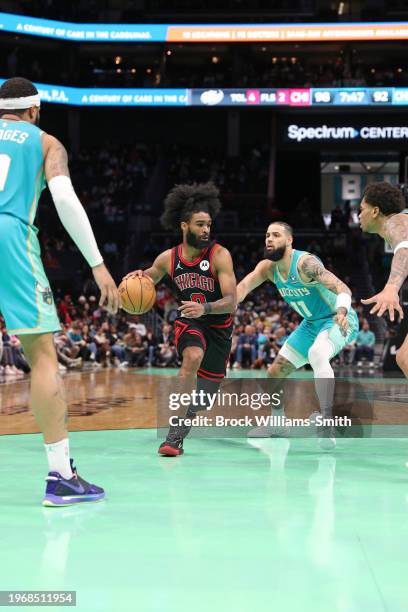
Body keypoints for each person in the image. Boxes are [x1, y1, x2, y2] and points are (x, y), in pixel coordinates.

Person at [0, 77, 119, 506]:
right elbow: (65, 200)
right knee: (42, 357)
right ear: (34, 111)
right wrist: (98, 264)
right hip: (8, 235)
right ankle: (61, 476)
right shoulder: (46, 142)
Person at [124, 182, 237, 456]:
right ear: (184, 225)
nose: (206, 230)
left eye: (208, 224)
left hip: (218, 326)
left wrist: (207, 308)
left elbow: (232, 301)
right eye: (200, 224)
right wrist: (133, 281)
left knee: (205, 397)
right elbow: (147, 277)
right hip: (190, 321)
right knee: (192, 357)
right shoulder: (168, 258)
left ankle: (184, 422)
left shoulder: (220, 255)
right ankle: (173, 436)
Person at [237, 222, 359, 446]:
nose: (269, 239)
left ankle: (326, 420)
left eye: (275, 235)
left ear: (290, 240)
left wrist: (342, 311)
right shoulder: (268, 268)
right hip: (311, 324)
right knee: (275, 373)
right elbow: (242, 288)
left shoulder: (306, 264)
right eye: (267, 235)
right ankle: (278, 423)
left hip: (338, 318)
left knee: (318, 353)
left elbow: (343, 288)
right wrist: (220, 307)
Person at [359, 182, 408, 374]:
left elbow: (405, 249)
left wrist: (391, 288)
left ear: (375, 211)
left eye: (362, 209)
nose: (358, 215)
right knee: (404, 358)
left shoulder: (396, 221)